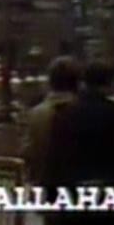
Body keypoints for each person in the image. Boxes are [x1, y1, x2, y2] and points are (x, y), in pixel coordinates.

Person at [42, 61, 114, 225]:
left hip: (77, 202)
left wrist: (52, 198)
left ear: (84, 83)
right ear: (110, 84)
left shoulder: (64, 115)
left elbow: (55, 160)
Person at [23, 56, 81, 184]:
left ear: (50, 82)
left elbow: (28, 152)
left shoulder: (36, 113)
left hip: (43, 186)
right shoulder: (83, 110)